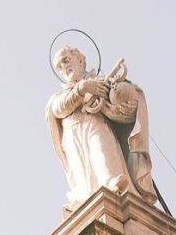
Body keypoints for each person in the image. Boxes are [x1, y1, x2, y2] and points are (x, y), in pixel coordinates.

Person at [46, 46, 157, 211]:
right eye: (60, 67)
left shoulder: (102, 81)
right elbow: (58, 109)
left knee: (101, 153)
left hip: (95, 125)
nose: (64, 68)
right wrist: (82, 89)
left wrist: (118, 96)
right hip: (72, 135)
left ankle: (111, 183)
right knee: (81, 170)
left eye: (66, 60)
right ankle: (84, 198)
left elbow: (124, 103)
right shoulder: (59, 96)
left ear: (80, 59)